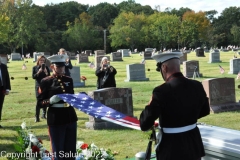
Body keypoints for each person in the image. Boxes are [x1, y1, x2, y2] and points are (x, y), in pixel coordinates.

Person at [139, 52, 210, 160]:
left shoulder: (161, 91)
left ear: (164, 67)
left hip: (171, 146)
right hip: (193, 142)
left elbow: (144, 123)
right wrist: (187, 118)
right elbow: (205, 110)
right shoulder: (197, 85)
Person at [37, 55, 78, 160]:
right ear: (52, 67)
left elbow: (71, 96)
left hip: (70, 117)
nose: (61, 69)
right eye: (58, 67)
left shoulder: (69, 79)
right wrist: (49, 101)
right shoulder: (46, 81)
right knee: (58, 151)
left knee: (70, 151)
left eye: (63, 67)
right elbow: (40, 102)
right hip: (56, 118)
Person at [32, 55, 50, 122]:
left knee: (45, 100)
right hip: (38, 86)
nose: (42, 62)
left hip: (45, 86)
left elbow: (49, 77)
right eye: (41, 60)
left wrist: (46, 72)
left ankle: (44, 114)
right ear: (38, 61)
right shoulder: (35, 68)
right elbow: (33, 77)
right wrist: (38, 72)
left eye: (43, 60)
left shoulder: (47, 68)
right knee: (39, 101)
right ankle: (37, 117)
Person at [0, 58, 11, 128]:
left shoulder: (3, 66)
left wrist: (7, 89)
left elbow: (7, 77)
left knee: (0, 106)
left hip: (2, 89)